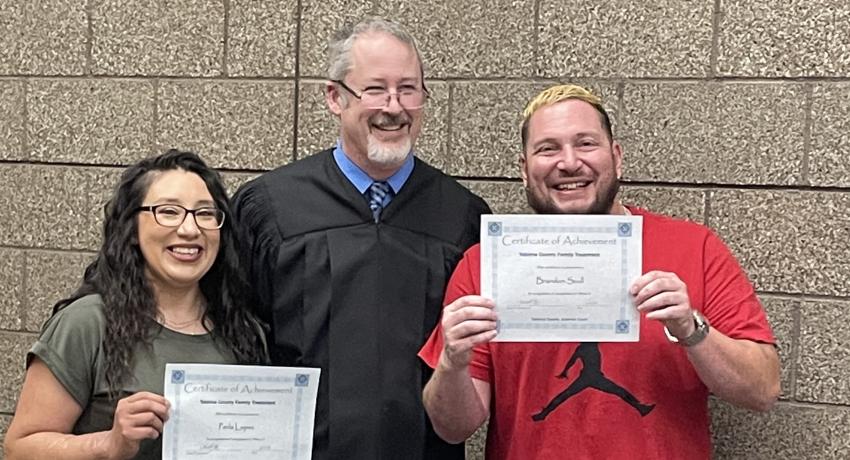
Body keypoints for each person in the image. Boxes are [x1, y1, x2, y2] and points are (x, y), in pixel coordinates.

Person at [419, 84, 781, 459]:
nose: (569, 162)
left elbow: (763, 390)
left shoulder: (695, 248)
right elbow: (451, 427)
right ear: (524, 171)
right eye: (548, 148)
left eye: (586, 143)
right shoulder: (485, 265)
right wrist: (453, 362)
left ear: (617, 158)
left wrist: (691, 330)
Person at [233, 17, 490, 460]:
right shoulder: (271, 207)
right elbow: (235, 335)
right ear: (335, 97)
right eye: (375, 89)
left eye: (409, 89)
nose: (394, 106)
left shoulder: (462, 216)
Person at [4, 150, 266, 460]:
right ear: (132, 228)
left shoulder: (243, 331)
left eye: (206, 213)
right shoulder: (88, 323)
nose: (190, 229)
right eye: (169, 211)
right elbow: (19, 448)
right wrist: (108, 444)